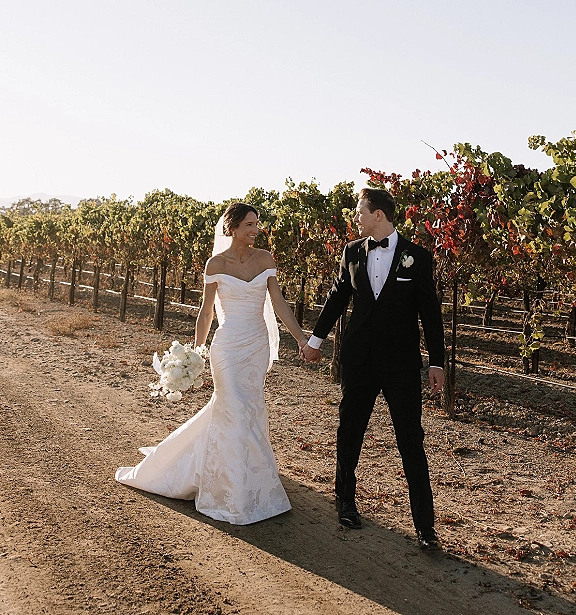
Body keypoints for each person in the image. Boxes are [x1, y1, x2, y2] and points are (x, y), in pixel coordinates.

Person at [116, 202, 309, 525]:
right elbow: (207, 311)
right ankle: (232, 492)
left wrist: (302, 339)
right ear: (232, 228)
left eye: (256, 224)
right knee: (232, 406)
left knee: (249, 409)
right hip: (228, 347)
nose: (255, 230)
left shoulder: (265, 259)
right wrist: (196, 351)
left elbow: (278, 304)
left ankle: (251, 482)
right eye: (249, 224)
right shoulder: (215, 263)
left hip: (255, 346)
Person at [301, 188, 445, 550]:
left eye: (360, 212)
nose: (357, 218)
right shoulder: (351, 252)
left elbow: (430, 314)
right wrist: (315, 341)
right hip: (360, 360)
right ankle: (345, 503)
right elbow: (337, 297)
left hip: (401, 365)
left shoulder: (418, 257)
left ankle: (425, 527)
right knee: (350, 431)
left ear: (378, 214)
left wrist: (437, 362)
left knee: (411, 441)